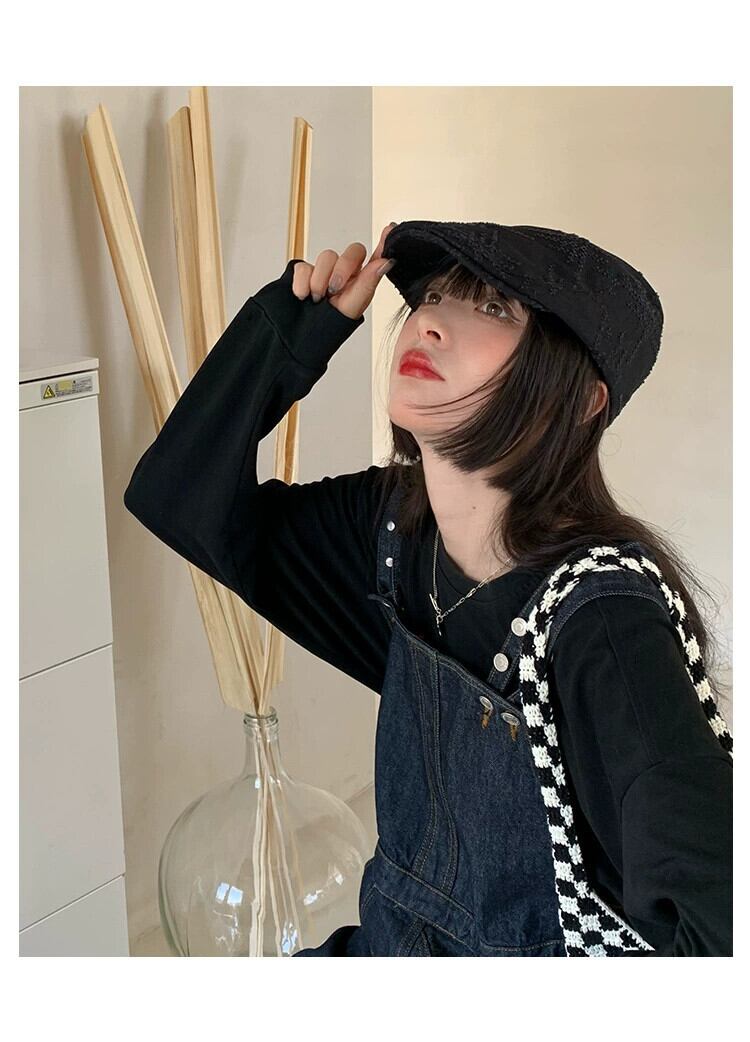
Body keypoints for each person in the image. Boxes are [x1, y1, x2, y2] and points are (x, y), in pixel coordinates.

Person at [123, 220, 732, 956]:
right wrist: (290, 336)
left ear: (578, 401)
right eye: (434, 296)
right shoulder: (394, 533)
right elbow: (178, 498)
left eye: (495, 307)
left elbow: (718, 928)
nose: (431, 322)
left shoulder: (603, 622)